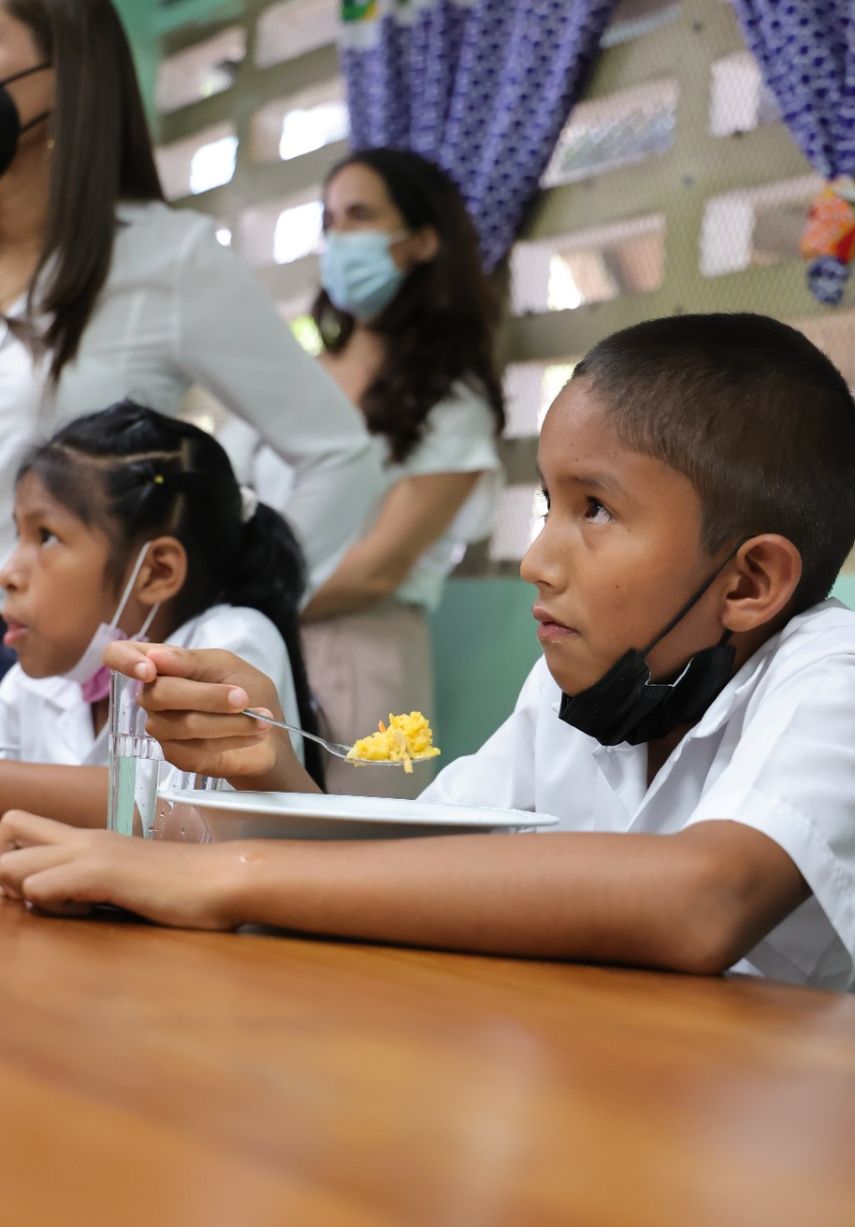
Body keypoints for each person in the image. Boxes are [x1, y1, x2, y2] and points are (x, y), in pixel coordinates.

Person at [4, 314, 855, 993]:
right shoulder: (575, 692)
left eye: (593, 509)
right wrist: (278, 780)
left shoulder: (832, 675)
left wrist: (225, 875)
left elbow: (702, 901)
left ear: (748, 581)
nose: (536, 559)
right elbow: (404, 870)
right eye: (548, 504)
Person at [0, 0, 378, 615]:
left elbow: (341, 457)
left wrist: (218, 617)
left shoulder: (168, 259)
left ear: (69, 71)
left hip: (59, 672)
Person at [0, 399, 323, 826]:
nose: (8, 572)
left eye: (46, 537)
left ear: (157, 571)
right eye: (17, 533)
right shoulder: (31, 684)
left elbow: (180, 817)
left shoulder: (231, 641)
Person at [295, 147, 505, 799]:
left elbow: (379, 568)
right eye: (329, 220)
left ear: (419, 242)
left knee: (353, 872)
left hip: (367, 658)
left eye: (359, 215)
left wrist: (239, 589)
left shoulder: (453, 403)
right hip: (253, 642)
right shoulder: (292, 376)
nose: (338, 237)